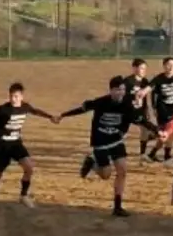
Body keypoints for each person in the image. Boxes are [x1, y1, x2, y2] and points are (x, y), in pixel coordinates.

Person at [62, 76, 158, 216]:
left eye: (123, 90)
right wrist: (63, 115)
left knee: (122, 171)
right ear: (111, 90)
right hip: (100, 142)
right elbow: (82, 109)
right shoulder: (101, 102)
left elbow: (140, 120)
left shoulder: (127, 104)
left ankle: (117, 206)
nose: (121, 92)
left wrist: (157, 130)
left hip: (117, 142)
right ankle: (91, 163)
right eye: (118, 90)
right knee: (106, 175)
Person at [0, 82, 58, 211]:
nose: (13, 99)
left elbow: (35, 111)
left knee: (29, 167)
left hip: (15, 143)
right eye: (11, 96)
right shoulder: (3, 109)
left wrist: (50, 117)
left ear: (22, 96)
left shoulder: (25, 107)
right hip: (1, 145)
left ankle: (23, 195)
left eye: (16, 96)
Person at [146, 58, 173, 164]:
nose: (170, 67)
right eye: (168, 65)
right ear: (164, 65)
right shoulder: (159, 79)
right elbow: (153, 94)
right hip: (163, 111)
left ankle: (162, 155)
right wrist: (154, 108)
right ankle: (156, 154)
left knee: (170, 134)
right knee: (165, 135)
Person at [121, 58, 154, 160]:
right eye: (141, 68)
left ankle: (142, 154)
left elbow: (146, 97)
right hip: (128, 112)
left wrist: (147, 110)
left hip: (140, 111)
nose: (143, 71)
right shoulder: (127, 81)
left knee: (145, 130)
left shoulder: (145, 81)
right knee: (121, 133)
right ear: (134, 68)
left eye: (145, 69)